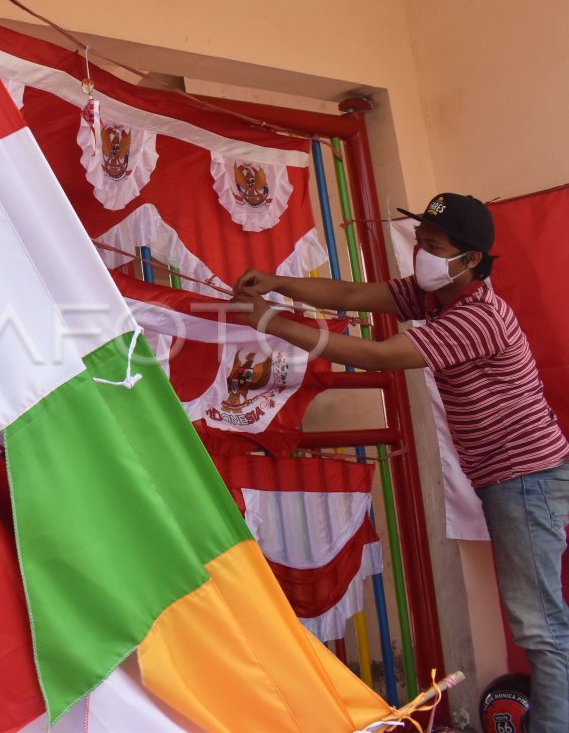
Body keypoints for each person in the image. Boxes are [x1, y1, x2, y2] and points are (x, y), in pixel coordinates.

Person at [233, 192, 569, 733]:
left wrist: (276, 324)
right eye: (420, 243)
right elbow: (352, 293)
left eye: (434, 247)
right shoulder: (436, 296)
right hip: (512, 479)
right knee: (542, 623)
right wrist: (279, 283)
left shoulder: (477, 316)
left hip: (525, 480)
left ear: (472, 260)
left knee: (540, 628)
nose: (421, 255)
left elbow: (379, 356)